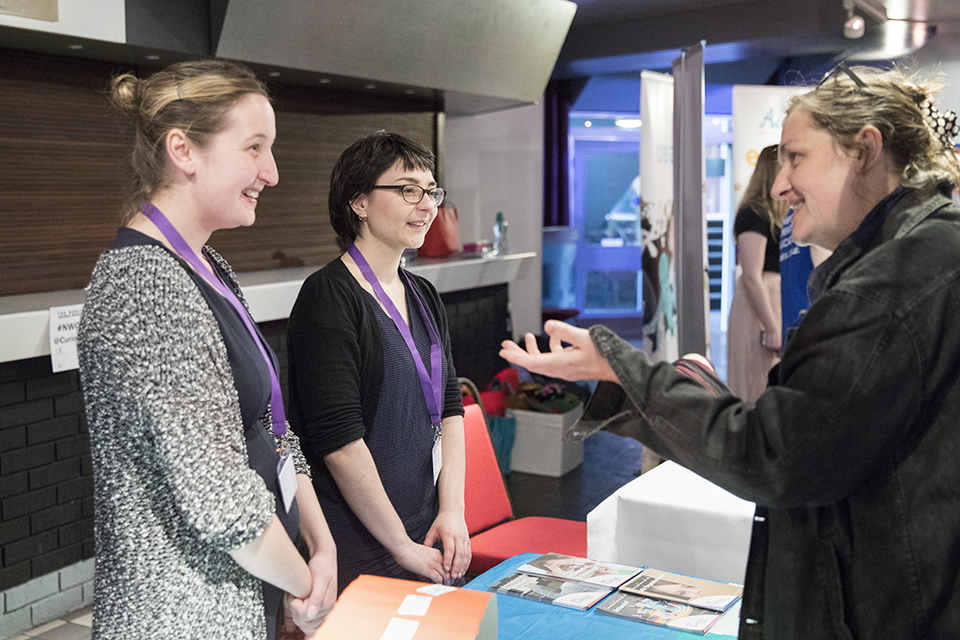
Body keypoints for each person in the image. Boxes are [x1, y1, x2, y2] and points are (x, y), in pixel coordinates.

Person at [501, 63, 960, 639]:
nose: (779, 186)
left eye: (796, 157)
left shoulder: (891, 284)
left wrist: (624, 368)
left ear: (864, 149)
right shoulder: (931, 251)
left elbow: (777, 454)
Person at [77, 60, 337, 640]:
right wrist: (306, 584)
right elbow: (220, 499)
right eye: (254, 147)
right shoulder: (144, 286)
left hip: (246, 592)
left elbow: (271, 427)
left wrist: (322, 542)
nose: (271, 172)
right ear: (183, 150)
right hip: (183, 615)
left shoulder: (208, 265)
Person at [286, 131, 470, 594]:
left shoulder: (422, 293)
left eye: (431, 191)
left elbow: (450, 409)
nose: (426, 205)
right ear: (360, 203)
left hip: (428, 527)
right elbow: (339, 443)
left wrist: (453, 512)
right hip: (360, 541)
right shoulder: (328, 296)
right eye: (408, 190)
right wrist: (399, 545)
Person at [727, 144, 786, 400]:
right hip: (759, 306)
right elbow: (751, 275)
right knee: (754, 384)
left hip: (773, 299)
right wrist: (772, 326)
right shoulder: (754, 213)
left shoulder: (778, 214)